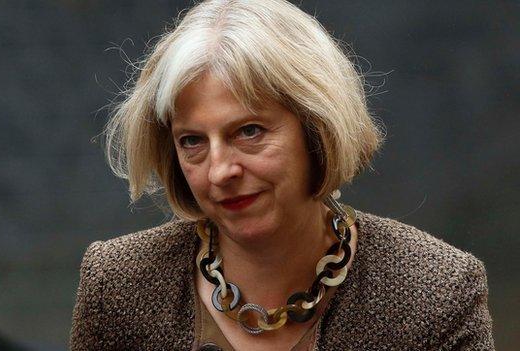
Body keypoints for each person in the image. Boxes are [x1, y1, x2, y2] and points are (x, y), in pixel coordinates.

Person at [70, 0, 495, 350]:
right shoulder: (118, 286)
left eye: (249, 131)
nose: (220, 171)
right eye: (193, 141)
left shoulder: (436, 294)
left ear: (317, 129)